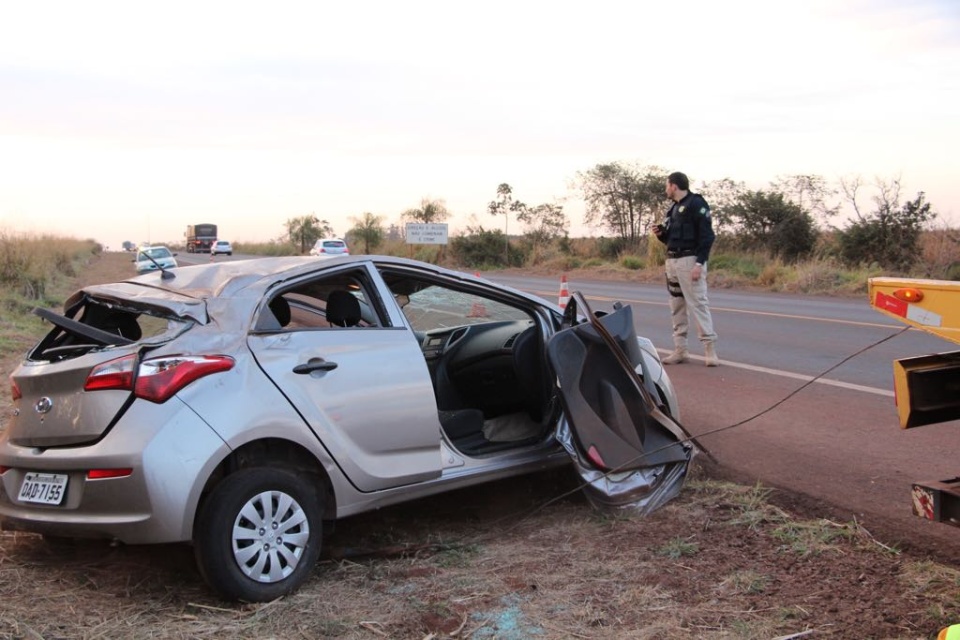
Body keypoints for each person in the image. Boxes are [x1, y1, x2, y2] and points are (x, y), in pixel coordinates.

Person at [652, 171, 719, 366]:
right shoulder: (672, 209)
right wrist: (660, 234)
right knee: (676, 306)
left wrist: (699, 263)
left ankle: (710, 349)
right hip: (672, 261)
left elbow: (707, 236)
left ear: (674, 186)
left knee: (698, 303)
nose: (666, 189)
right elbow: (670, 239)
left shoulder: (696, 204)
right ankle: (680, 350)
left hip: (689, 261)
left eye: (667, 185)